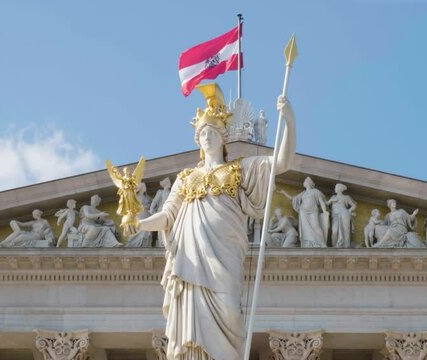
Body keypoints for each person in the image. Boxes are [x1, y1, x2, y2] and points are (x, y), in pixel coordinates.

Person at [121, 84, 296, 360]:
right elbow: (167, 216)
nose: (207, 138)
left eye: (212, 133)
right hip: (190, 261)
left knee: (230, 313)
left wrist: (289, 119)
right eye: (202, 133)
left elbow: (282, 162)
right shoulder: (186, 177)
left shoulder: (239, 170)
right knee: (190, 332)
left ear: (223, 138)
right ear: (197, 140)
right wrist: (141, 224)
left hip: (224, 257)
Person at [279, 177, 328, 248]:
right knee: (305, 230)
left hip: (313, 211)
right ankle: (308, 244)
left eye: (305, 181)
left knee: (316, 226)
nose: (303, 182)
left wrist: (324, 211)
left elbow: (321, 202)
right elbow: (293, 199)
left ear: (308, 182)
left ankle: (322, 243)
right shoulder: (303, 193)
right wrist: (284, 193)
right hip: (303, 213)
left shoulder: (315, 191)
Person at [327, 183, 357, 248]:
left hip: (344, 214)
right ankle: (334, 246)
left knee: (346, 230)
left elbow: (354, 205)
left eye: (336, 187)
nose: (335, 189)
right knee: (334, 231)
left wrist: (349, 210)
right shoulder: (333, 197)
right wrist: (331, 200)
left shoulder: (346, 197)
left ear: (339, 189)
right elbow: (326, 204)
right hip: (335, 215)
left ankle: (346, 246)